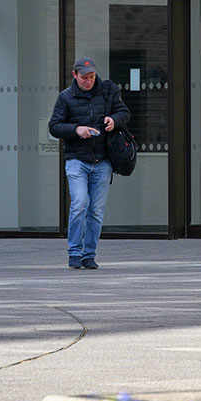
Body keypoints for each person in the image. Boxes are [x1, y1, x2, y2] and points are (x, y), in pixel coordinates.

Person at [48, 57, 130, 270]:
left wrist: (114, 120)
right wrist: (76, 130)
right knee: (80, 204)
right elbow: (54, 126)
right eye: (84, 77)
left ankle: (89, 255)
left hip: (102, 160)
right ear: (75, 76)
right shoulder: (66, 97)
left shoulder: (106, 92)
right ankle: (74, 252)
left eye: (92, 77)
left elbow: (124, 112)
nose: (88, 81)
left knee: (96, 210)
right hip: (77, 159)